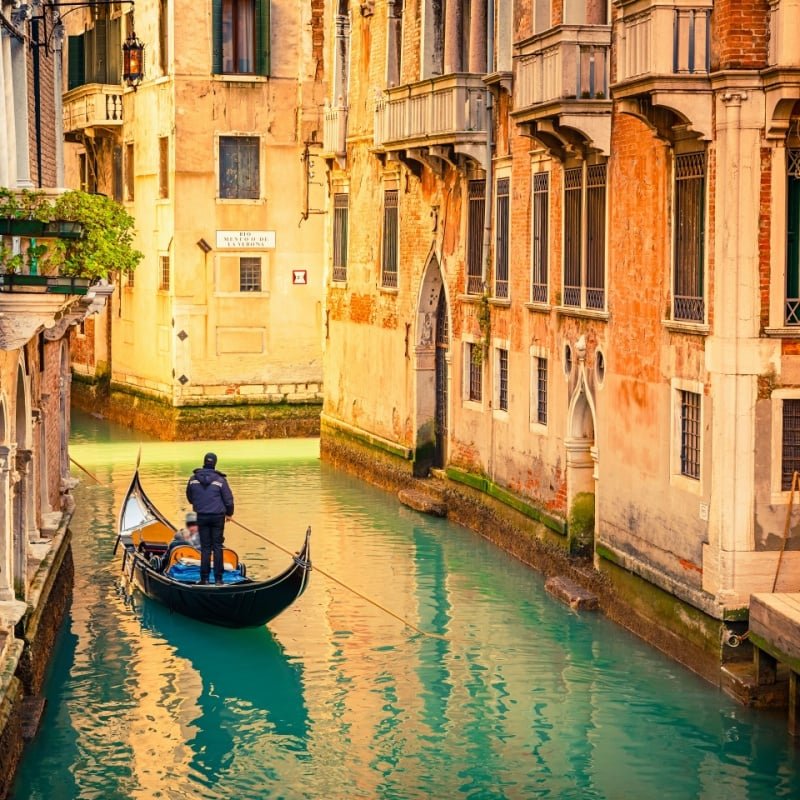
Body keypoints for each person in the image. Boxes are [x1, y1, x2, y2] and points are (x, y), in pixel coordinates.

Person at [186, 452, 234, 585]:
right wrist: (229, 513)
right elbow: (229, 500)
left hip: (202, 516)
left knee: (206, 548)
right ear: (214, 463)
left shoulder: (193, 479)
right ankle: (219, 580)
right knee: (217, 547)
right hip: (218, 517)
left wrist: (200, 503)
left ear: (204, 462)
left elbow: (190, 498)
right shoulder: (220, 480)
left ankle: (204, 579)